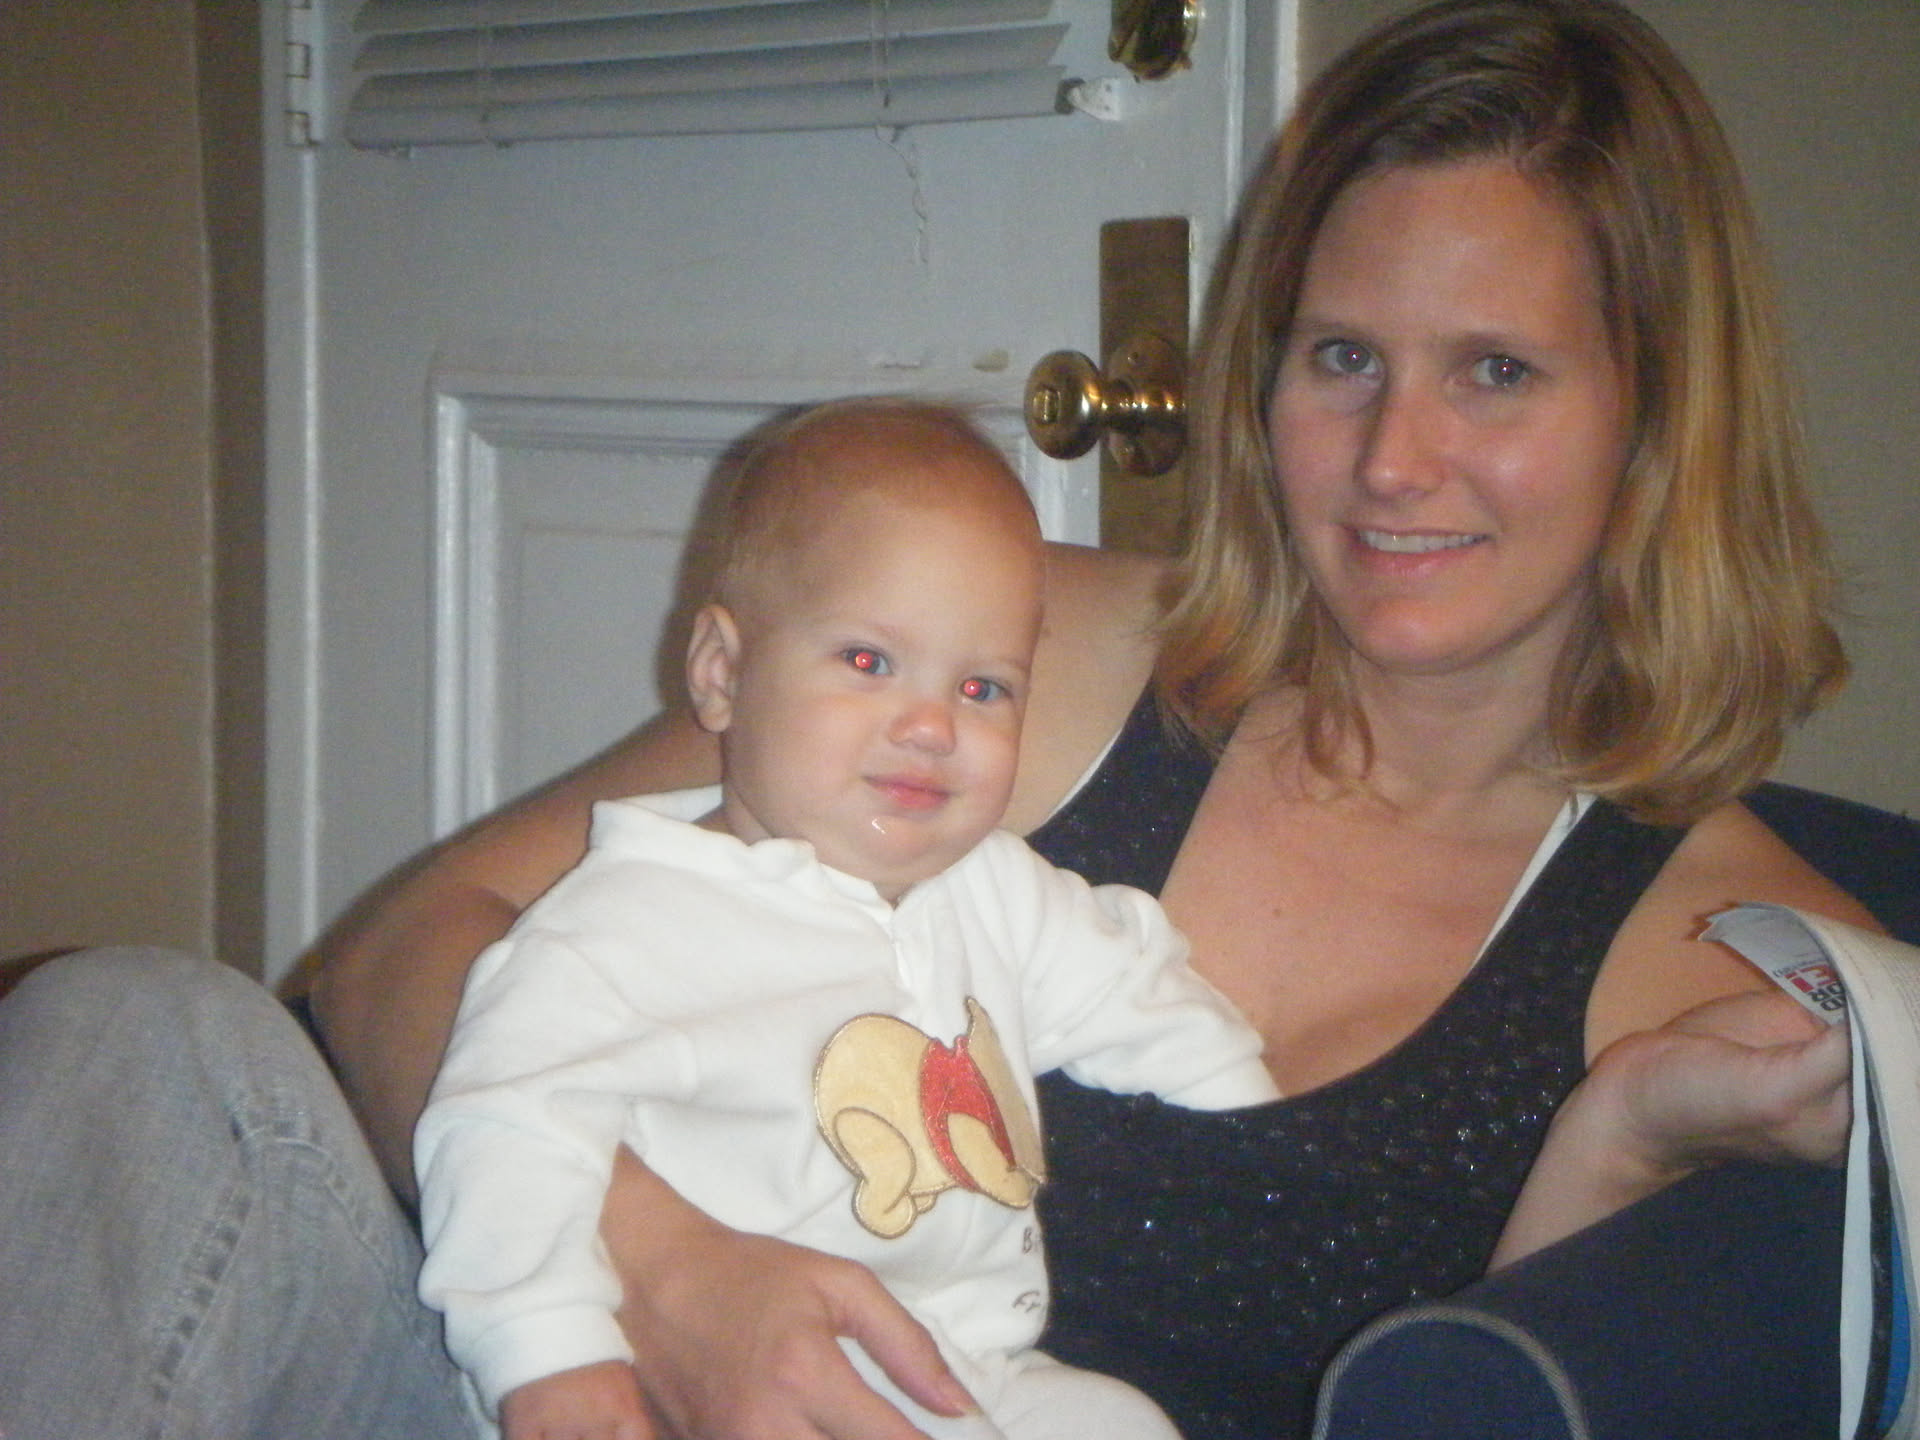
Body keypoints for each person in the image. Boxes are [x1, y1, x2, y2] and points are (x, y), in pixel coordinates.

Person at [0, 2, 1881, 1438]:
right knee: (139, 1042)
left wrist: (1616, 1150)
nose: (1394, 459)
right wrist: (668, 1280)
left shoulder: (1729, 965)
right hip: (568, 1387)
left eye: (1496, 371)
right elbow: (402, 956)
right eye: (1340, 358)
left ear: (1658, 413)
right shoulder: (1032, 662)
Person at [414, 397, 1279, 1440]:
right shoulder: (624, 927)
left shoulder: (998, 896)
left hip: (962, 1373)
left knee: (1119, 1423)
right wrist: (548, 1356)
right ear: (723, 673)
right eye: (869, 663)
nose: (931, 725)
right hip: (703, 1390)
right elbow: (505, 1128)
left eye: (984, 687)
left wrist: (1256, 1141)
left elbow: (1143, 998)